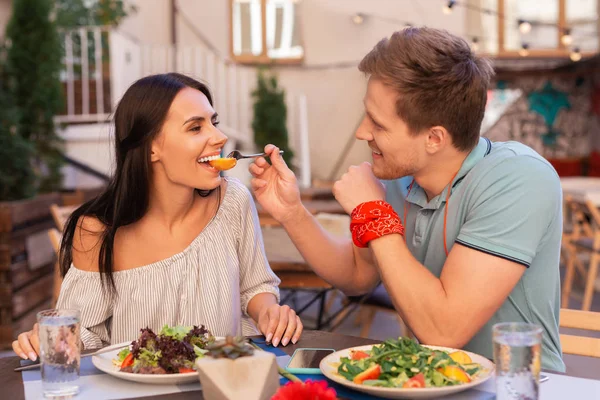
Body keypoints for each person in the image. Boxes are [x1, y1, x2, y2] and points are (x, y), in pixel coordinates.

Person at [250, 27, 565, 371]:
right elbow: (358, 275)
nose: (362, 132)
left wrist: (373, 212)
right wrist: (292, 212)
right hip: (431, 380)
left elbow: (444, 330)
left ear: (434, 138)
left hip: (517, 384)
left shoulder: (518, 179)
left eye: (378, 124)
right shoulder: (403, 179)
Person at [13, 73, 302, 361]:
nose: (220, 137)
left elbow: (254, 288)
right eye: (195, 128)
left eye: (213, 122)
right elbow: (87, 334)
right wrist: (48, 339)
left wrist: (268, 311)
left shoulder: (234, 201)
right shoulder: (97, 231)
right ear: (152, 147)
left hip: (223, 385)